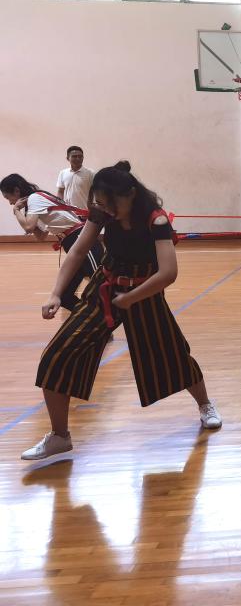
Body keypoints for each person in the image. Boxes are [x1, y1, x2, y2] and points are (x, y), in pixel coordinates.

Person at [21, 161, 221, 461]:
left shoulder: (156, 220)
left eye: (108, 202)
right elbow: (77, 251)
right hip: (105, 287)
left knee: (173, 354)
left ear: (130, 195)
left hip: (145, 291)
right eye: (99, 203)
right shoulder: (102, 213)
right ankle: (59, 437)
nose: (104, 209)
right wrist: (56, 293)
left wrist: (131, 298)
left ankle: (205, 404)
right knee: (56, 355)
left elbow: (168, 273)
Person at [1, 173, 103, 310]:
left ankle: (114, 316)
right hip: (71, 242)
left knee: (102, 285)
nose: (10, 202)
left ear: (16, 191)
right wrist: (25, 215)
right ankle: (92, 317)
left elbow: (28, 226)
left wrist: (16, 210)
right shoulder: (33, 203)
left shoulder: (35, 198)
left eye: (8, 197)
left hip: (82, 239)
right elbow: (41, 236)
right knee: (64, 296)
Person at [56, 145, 94, 211]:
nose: (78, 159)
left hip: (85, 211)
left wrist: (91, 207)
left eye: (80, 156)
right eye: (74, 156)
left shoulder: (90, 173)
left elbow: (93, 192)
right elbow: (60, 192)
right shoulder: (63, 173)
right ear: (68, 158)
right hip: (68, 212)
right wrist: (60, 206)